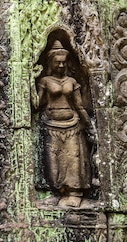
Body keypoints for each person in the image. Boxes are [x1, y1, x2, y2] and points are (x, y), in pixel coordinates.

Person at [37, 40, 93, 207]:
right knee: (53, 161)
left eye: (63, 62)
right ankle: (56, 192)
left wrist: (89, 124)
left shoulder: (71, 81)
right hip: (51, 124)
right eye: (57, 62)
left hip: (73, 124)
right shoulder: (45, 81)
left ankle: (75, 193)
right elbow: (37, 104)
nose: (61, 65)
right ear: (50, 63)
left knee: (73, 159)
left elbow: (79, 105)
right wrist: (32, 82)